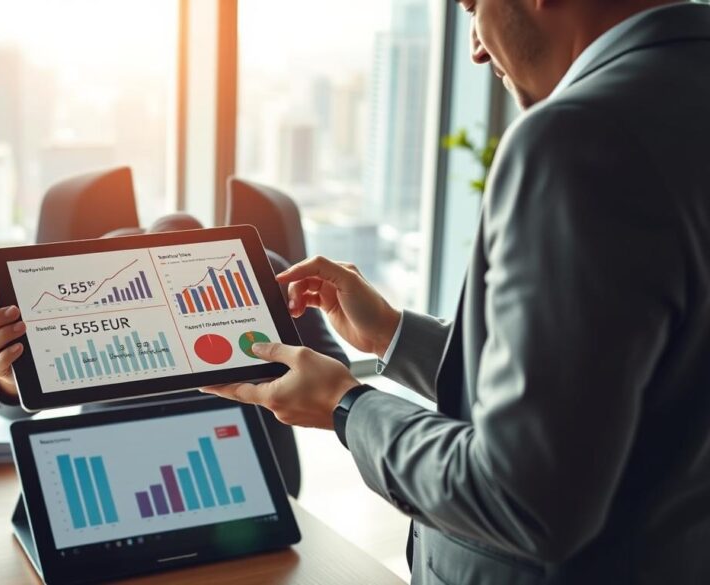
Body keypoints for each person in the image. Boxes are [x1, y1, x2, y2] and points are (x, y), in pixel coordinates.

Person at [201, 1, 710, 583]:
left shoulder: (578, 138)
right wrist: (395, 334)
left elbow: (524, 499)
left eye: (474, 6)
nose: (474, 45)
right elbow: (611, 386)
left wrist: (346, 407)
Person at [0, 213, 350, 497]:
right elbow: (10, 408)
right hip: (117, 476)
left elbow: (337, 372)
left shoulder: (265, 269)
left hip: (250, 472)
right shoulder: (99, 281)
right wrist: (9, 376)